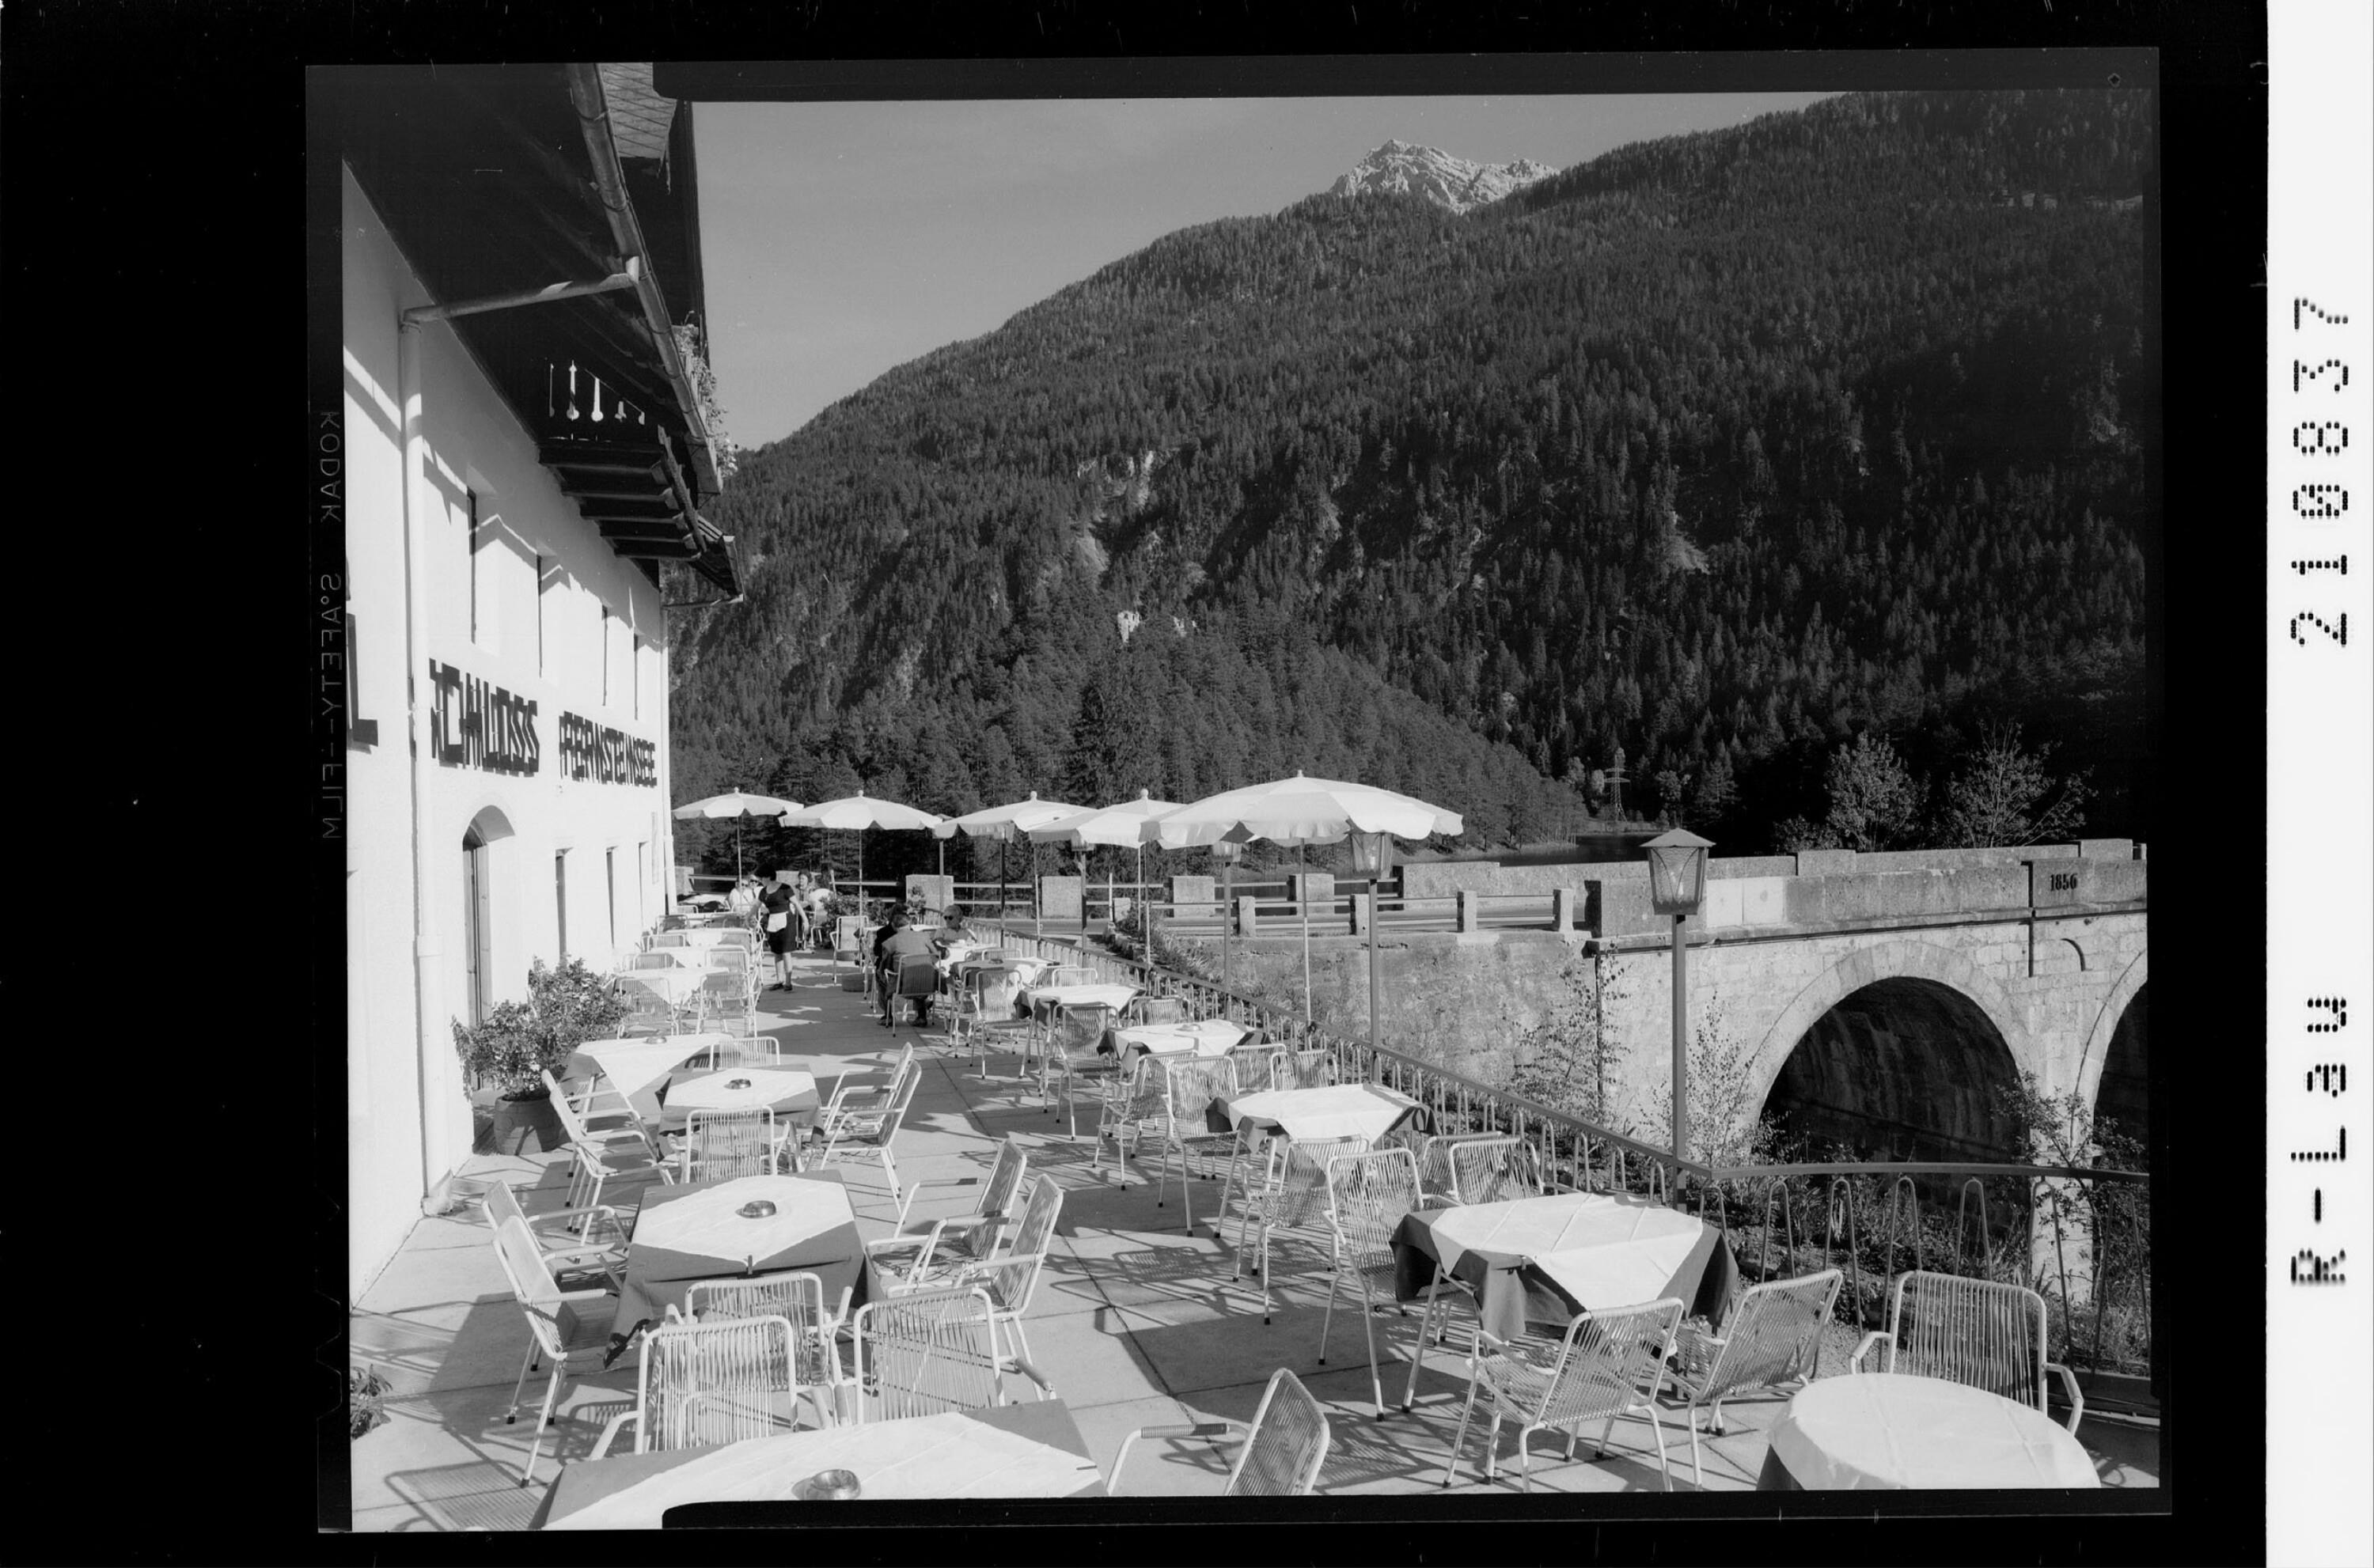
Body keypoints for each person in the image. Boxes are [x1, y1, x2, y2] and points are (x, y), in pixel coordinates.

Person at [873, 908, 941, 1026]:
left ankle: (888, 1016)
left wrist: (882, 972)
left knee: (880, 976)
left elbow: (885, 965)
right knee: (918, 973)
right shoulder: (924, 936)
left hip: (903, 986)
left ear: (893, 926)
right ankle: (921, 1016)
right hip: (927, 983)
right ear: (910, 924)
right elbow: (936, 955)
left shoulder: (891, 942)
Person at [760, 877, 798, 990]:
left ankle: (788, 982)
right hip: (773, 922)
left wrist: (805, 920)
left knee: (786, 952)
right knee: (777, 952)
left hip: (786, 920)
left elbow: (796, 904)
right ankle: (779, 980)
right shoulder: (764, 892)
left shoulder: (784, 889)